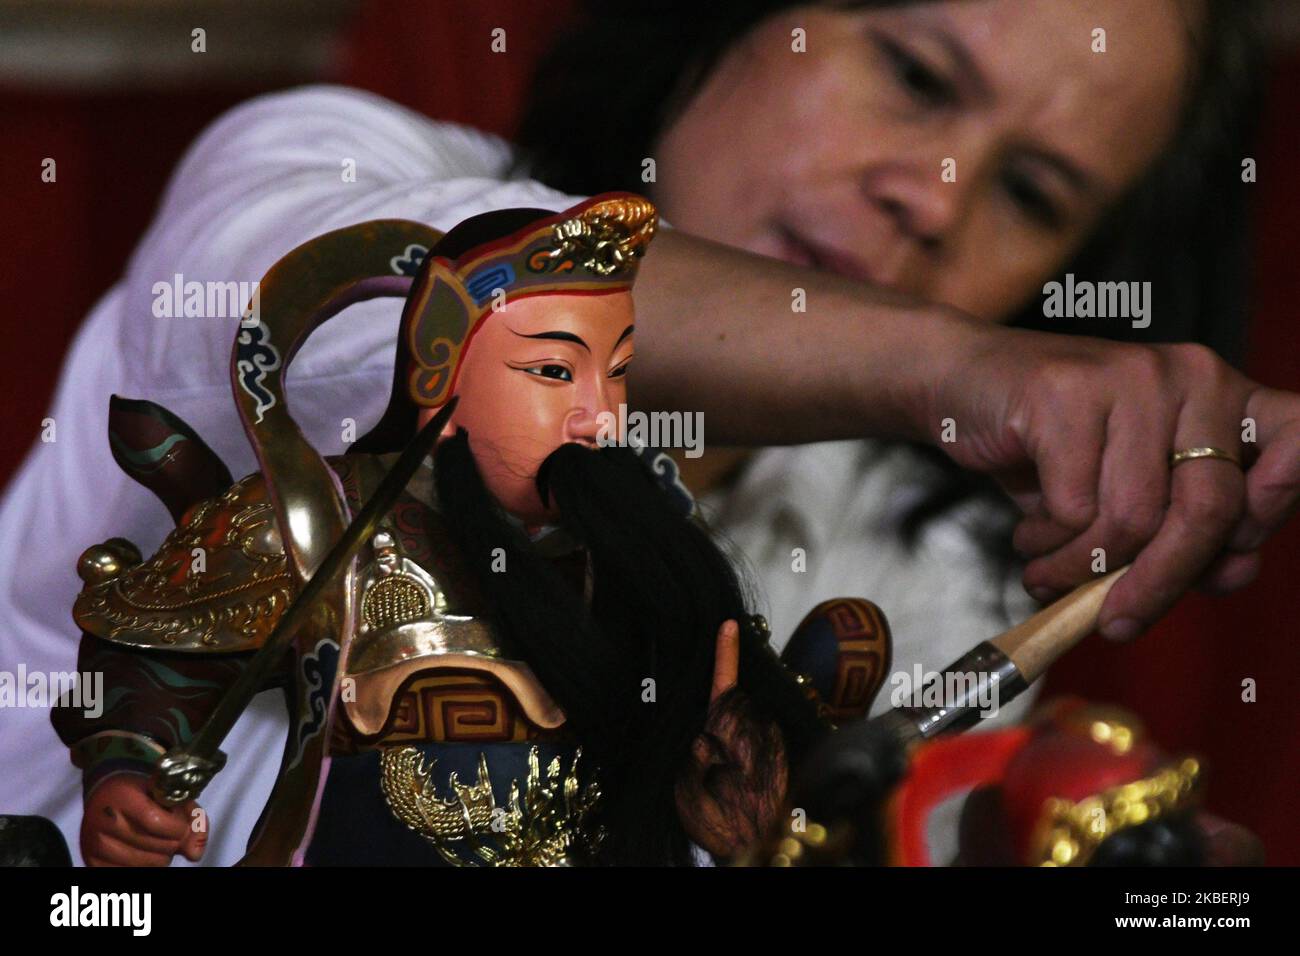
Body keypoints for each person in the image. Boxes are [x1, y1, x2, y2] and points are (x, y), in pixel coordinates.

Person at [4, 0, 1297, 864]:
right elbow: (380, 301)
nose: (932, 195)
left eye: (1029, 191)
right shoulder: (327, 165)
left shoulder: (920, 588)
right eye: (911, 77)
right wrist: (969, 369)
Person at [54, 195, 837, 866]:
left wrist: (741, 806)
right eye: (555, 373)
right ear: (439, 377)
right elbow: (154, 663)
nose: (599, 417)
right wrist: (128, 780)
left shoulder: (637, 555)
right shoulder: (325, 520)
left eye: (619, 371)